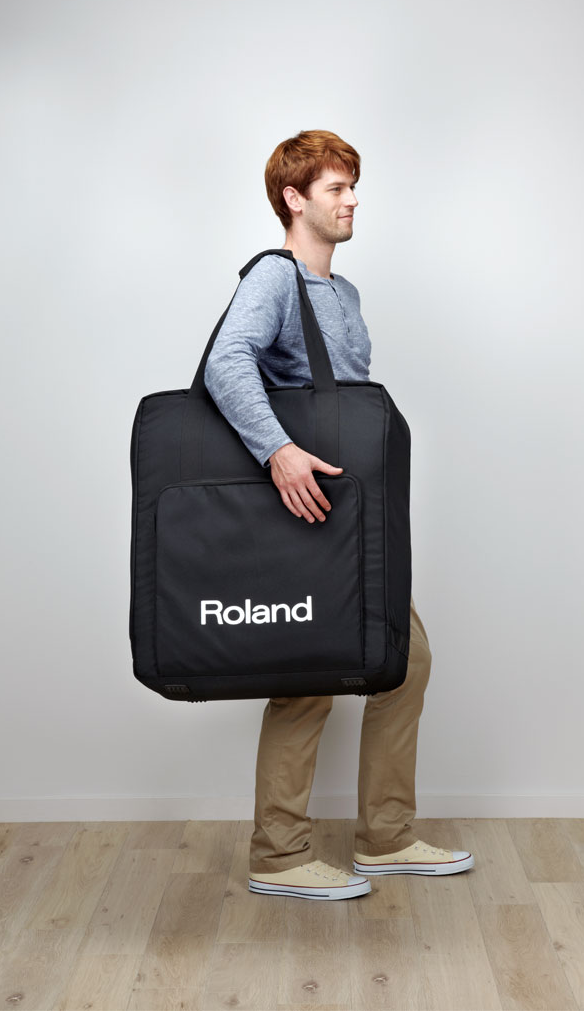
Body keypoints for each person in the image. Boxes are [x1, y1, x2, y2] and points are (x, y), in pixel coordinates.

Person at [204, 129, 474, 901]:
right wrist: (278, 452)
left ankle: (386, 837)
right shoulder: (274, 276)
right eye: (336, 189)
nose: (352, 200)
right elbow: (227, 362)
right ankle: (278, 854)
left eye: (353, 187)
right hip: (302, 511)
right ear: (295, 199)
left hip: (353, 511)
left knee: (404, 659)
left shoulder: (344, 294)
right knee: (307, 678)